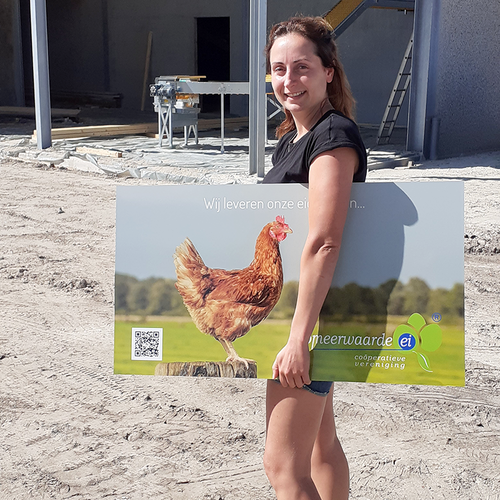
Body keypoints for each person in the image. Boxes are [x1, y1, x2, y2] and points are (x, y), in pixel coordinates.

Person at [261, 16, 367, 500]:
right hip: (310, 315)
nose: (289, 80)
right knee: (321, 444)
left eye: (301, 67)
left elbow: (325, 240)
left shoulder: (333, 136)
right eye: (279, 69)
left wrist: (297, 339)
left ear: (328, 71)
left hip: (309, 324)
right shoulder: (294, 136)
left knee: (284, 467)